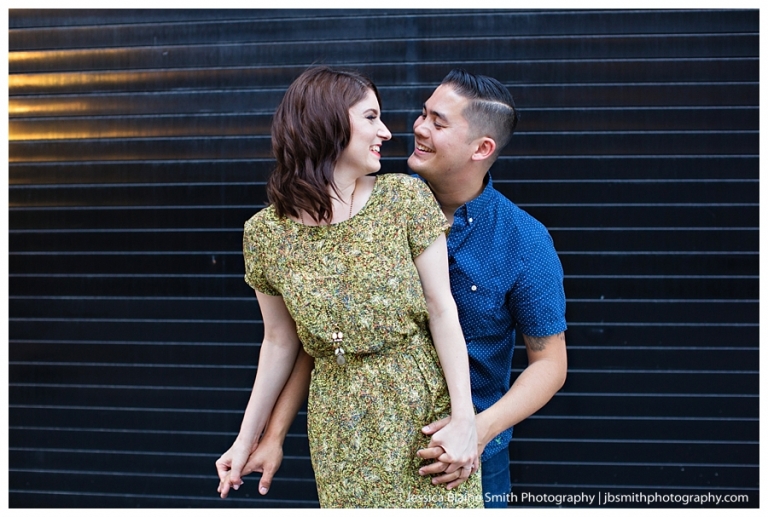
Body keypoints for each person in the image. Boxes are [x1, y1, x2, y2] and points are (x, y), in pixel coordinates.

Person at [220, 69, 568, 508]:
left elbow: (550, 365)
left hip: (472, 449)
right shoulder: (379, 199)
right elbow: (317, 339)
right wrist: (271, 435)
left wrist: (476, 427)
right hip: (359, 439)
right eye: (423, 114)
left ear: (481, 148)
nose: (415, 127)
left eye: (438, 123)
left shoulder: (522, 240)